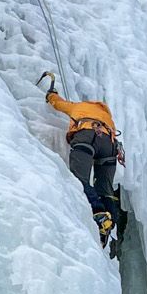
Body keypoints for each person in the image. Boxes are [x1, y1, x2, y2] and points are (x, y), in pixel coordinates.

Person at [40, 74, 121, 239]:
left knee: (79, 179)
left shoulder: (79, 107)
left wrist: (51, 95)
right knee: (105, 188)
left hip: (87, 137)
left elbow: (60, 104)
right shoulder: (107, 117)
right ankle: (109, 223)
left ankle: (98, 213)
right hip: (110, 145)